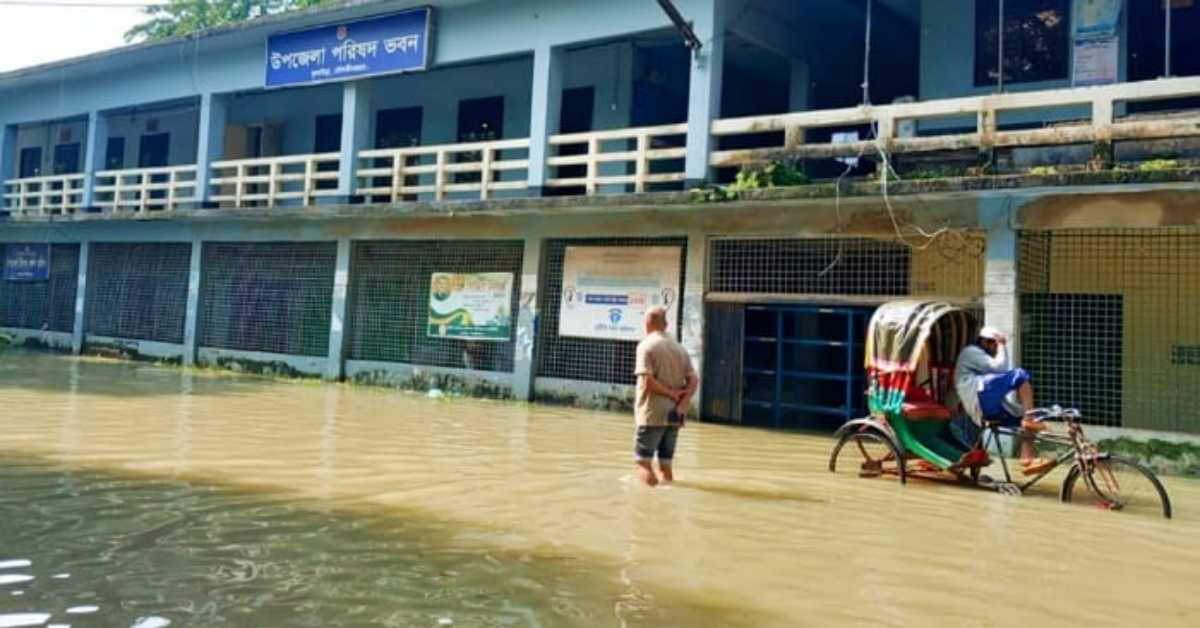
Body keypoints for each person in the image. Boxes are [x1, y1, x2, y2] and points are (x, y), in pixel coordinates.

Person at [954, 326, 1053, 473]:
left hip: (987, 405)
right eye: (995, 344)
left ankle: (1026, 457)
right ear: (986, 342)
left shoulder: (982, 359)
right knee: (1020, 375)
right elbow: (1001, 368)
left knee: (1034, 417)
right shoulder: (971, 352)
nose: (996, 349)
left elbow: (999, 373)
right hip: (979, 397)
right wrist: (1002, 345)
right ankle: (1028, 418)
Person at [633, 306, 698, 487]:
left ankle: (650, 505)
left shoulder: (646, 346)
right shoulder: (680, 349)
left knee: (642, 463)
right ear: (666, 325)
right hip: (674, 415)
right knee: (665, 466)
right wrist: (682, 403)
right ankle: (667, 495)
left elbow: (647, 381)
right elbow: (694, 380)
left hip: (652, 414)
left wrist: (670, 392)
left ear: (647, 323)